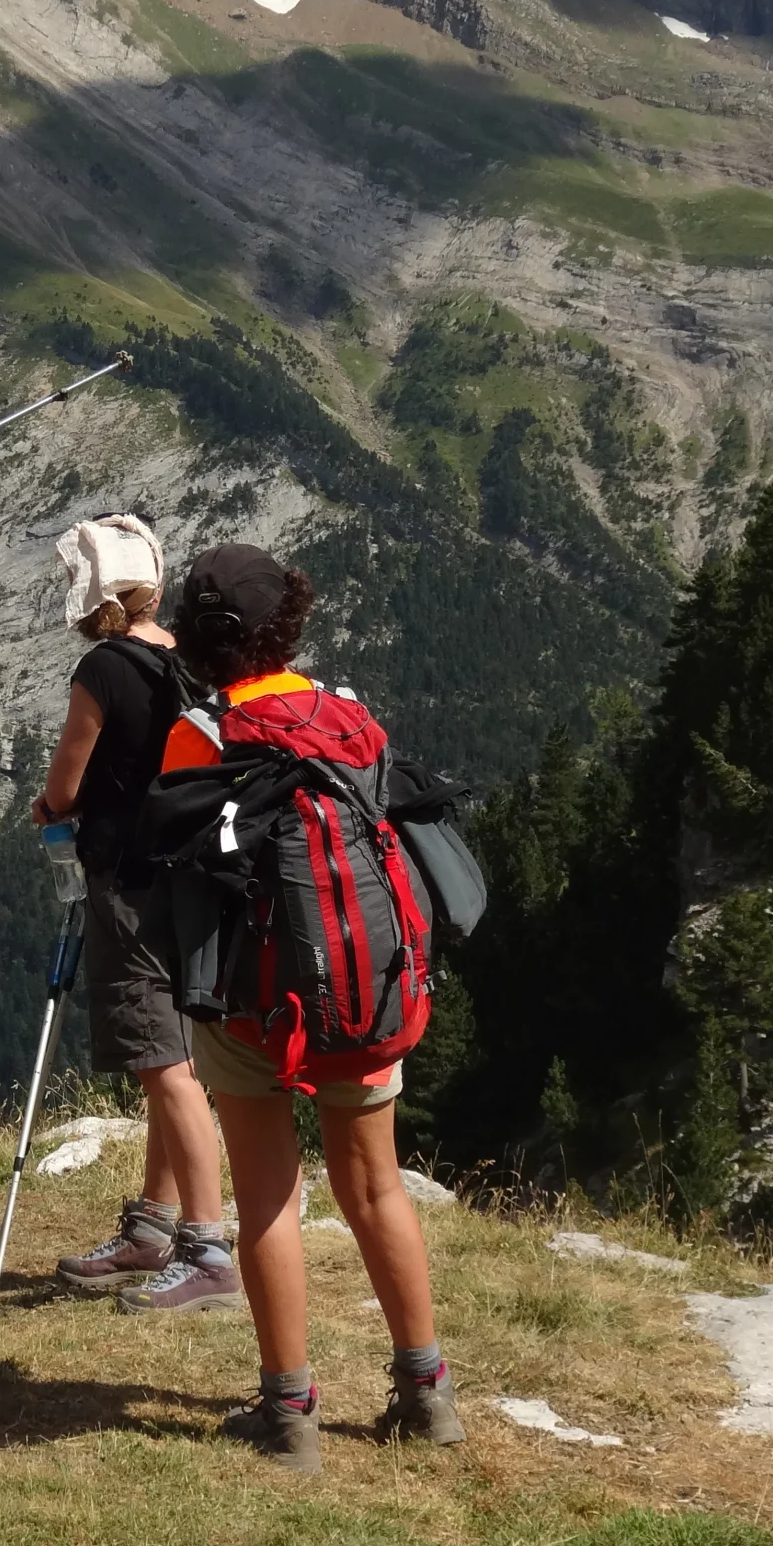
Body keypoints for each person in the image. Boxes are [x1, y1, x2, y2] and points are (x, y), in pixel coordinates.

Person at [158, 542, 463, 1470]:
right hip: (367, 990)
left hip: (256, 1004)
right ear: (288, 623)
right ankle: (427, 1394)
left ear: (202, 644)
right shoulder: (351, 716)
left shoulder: (199, 736)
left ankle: (290, 1414)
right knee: (376, 1187)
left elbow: (175, 863)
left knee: (266, 1201)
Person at [29, 516, 233, 1314]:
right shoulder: (192, 661)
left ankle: (208, 1247)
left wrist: (46, 808)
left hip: (128, 882)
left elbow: (68, 785)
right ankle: (153, 1225)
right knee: (174, 1054)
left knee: (163, 1063)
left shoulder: (105, 668)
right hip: (197, 878)